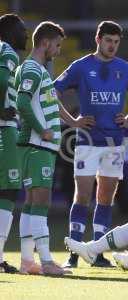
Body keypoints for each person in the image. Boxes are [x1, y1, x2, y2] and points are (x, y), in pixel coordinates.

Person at [55, 20, 128, 268]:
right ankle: (73, 253)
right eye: (108, 41)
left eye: (116, 42)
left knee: (105, 197)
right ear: (98, 40)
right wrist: (72, 121)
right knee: (82, 195)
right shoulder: (81, 66)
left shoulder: (125, 68)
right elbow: (53, 92)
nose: (112, 46)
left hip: (114, 143)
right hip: (86, 141)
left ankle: (97, 252)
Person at [15, 21, 71, 275]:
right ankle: (47, 261)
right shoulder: (32, 70)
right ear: (46, 43)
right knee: (41, 202)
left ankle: (28, 260)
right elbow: (22, 102)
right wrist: (42, 129)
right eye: (57, 45)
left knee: (30, 203)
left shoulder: (37, 69)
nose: (58, 51)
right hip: (38, 145)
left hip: (39, 147)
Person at [0, 14, 27, 273]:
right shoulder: (7, 51)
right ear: (8, 31)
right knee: (8, 189)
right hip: (3, 128)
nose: (26, 34)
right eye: (22, 29)